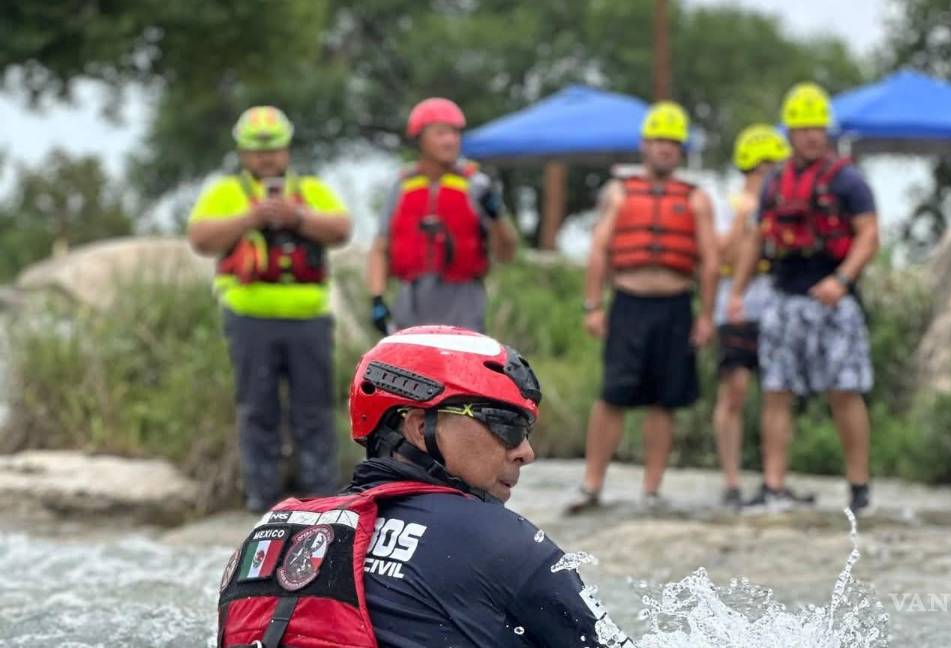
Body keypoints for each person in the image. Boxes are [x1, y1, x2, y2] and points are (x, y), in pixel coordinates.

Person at [217, 326, 636, 648]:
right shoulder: (502, 542)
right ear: (419, 427)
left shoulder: (270, 538)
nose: (525, 452)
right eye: (506, 426)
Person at [187, 106, 351, 513]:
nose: (266, 158)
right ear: (242, 153)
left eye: (274, 149)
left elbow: (342, 229)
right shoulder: (225, 193)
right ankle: (262, 497)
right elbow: (201, 238)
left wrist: (296, 217)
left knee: (313, 407)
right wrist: (251, 217)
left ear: (287, 150)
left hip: (308, 318)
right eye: (257, 150)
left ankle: (320, 496)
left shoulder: (311, 189)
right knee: (257, 406)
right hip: (249, 319)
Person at [728, 83, 879, 514]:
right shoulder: (775, 183)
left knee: (844, 390)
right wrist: (737, 293)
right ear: (790, 132)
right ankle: (774, 484)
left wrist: (843, 280)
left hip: (832, 298)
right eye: (802, 128)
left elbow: (869, 235)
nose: (810, 136)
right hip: (784, 298)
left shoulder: (848, 180)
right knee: (776, 391)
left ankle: (859, 485)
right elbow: (758, 240)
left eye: (817, 128)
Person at [566, 101, 719, 514]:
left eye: (673, 142)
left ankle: (651, 489)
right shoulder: (619, 193)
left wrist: (706, 315)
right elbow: (598, 251)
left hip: (675, 307)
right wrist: (593, 305)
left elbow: (709, 260)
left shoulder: (696, 198)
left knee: (664, 400)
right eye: (658, 141)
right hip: (629, 304)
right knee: (612, 394)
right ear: (644, 145)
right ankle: (591, 484)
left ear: (681, 149)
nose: (665, 149)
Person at [365, 98, 518, 334]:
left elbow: (506, 254)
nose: (450, 140)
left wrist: (497, 217)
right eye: (441, 133)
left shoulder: (477, 185)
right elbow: (380, 248)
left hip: (463, 305)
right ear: (420, 138)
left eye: (455, 133)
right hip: (411, 305)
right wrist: (376, 297)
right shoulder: (402, 185)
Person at [711, 125, 791, 508]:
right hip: (736, 304)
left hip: (776, 301)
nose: (768, 177)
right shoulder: (729, 204)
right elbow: (722, 255)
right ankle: (731, 481)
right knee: (735, 389)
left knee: (778, 392)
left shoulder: (785, 207)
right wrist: (745, 219)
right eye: (762, 170)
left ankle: (775, 480)